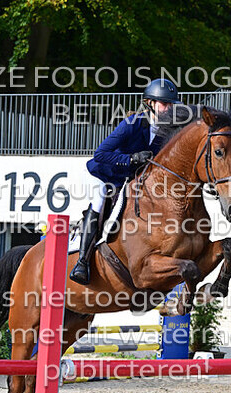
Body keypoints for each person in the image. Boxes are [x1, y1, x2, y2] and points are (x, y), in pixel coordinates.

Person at [69, 78, 182, 285]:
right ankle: (82, 262)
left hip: (133, 181)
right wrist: (130, 159)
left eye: (171, 105)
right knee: (100, 202)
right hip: (106, 175)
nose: (169, 109)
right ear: (151, 104)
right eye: (165, 104)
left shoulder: (169, 132)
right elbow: (100, 154)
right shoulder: (132, 124)